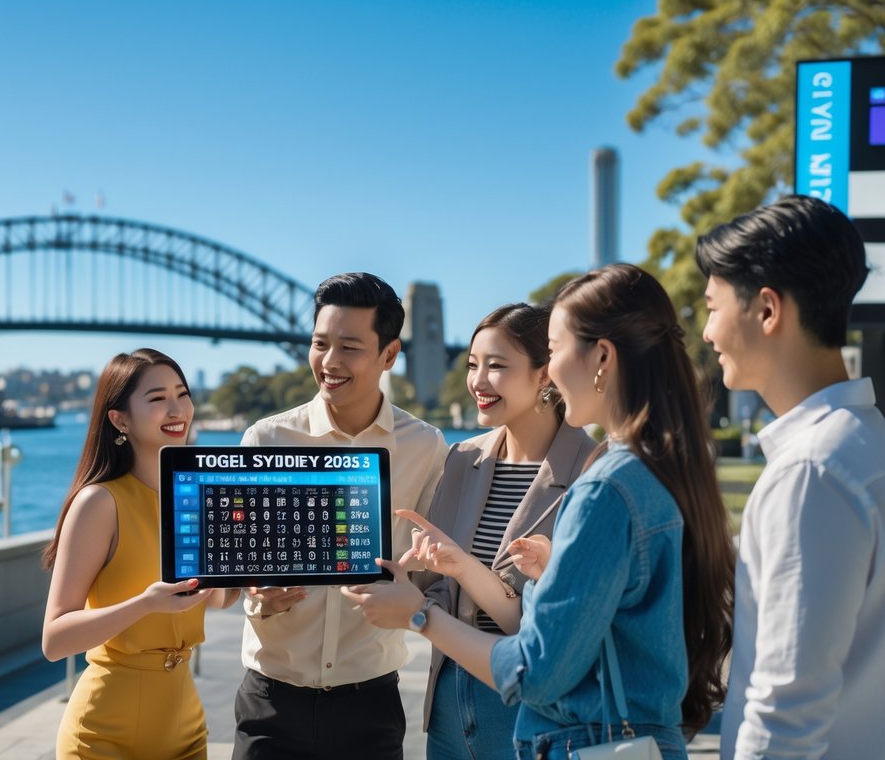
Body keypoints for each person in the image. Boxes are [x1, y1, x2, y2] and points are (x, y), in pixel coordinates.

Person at [344, 264, 734, 760]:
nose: (551, 370)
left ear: (602, 358)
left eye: (553, 351)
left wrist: (421, 618)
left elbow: (536, 670)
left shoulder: (605, 486)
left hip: (582, 739)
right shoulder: (656, 468)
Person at [696, 195, 885, 760]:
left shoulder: (812, 471)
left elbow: (784, 713)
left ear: (767, 310)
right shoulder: (880, 447)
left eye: (711, 307)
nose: (706, 332)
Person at [233, 272, 449, 760]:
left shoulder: (425, 446)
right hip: (270, 702)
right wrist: (256, 595)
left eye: (349, 347)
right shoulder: (265, 441)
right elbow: (238, 571)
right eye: (319, 343)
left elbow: (436, 568)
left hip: (369, 705)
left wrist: (413, 593)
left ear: (389, 355)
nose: (329, 362)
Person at [412, 303, 597, 759]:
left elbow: (554, 622)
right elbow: (438, 587)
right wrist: (411, 580)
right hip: (451, 703)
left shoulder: (591, 470)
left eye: (496, 366)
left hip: (533, 709)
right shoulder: (461, 458)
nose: (477, 381)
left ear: (544, 374)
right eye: (473, 365)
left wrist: (437, 594)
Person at [42, 348, 235, 760]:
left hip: (185, 730)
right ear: (120, 419)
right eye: (157, 398)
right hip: (102, 736)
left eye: (182, 394)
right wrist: (145, 605)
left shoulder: (197, 500)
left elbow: (214, 597)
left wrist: (252, 585)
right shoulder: (100, 502)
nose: (176, 408)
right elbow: (55, 639)